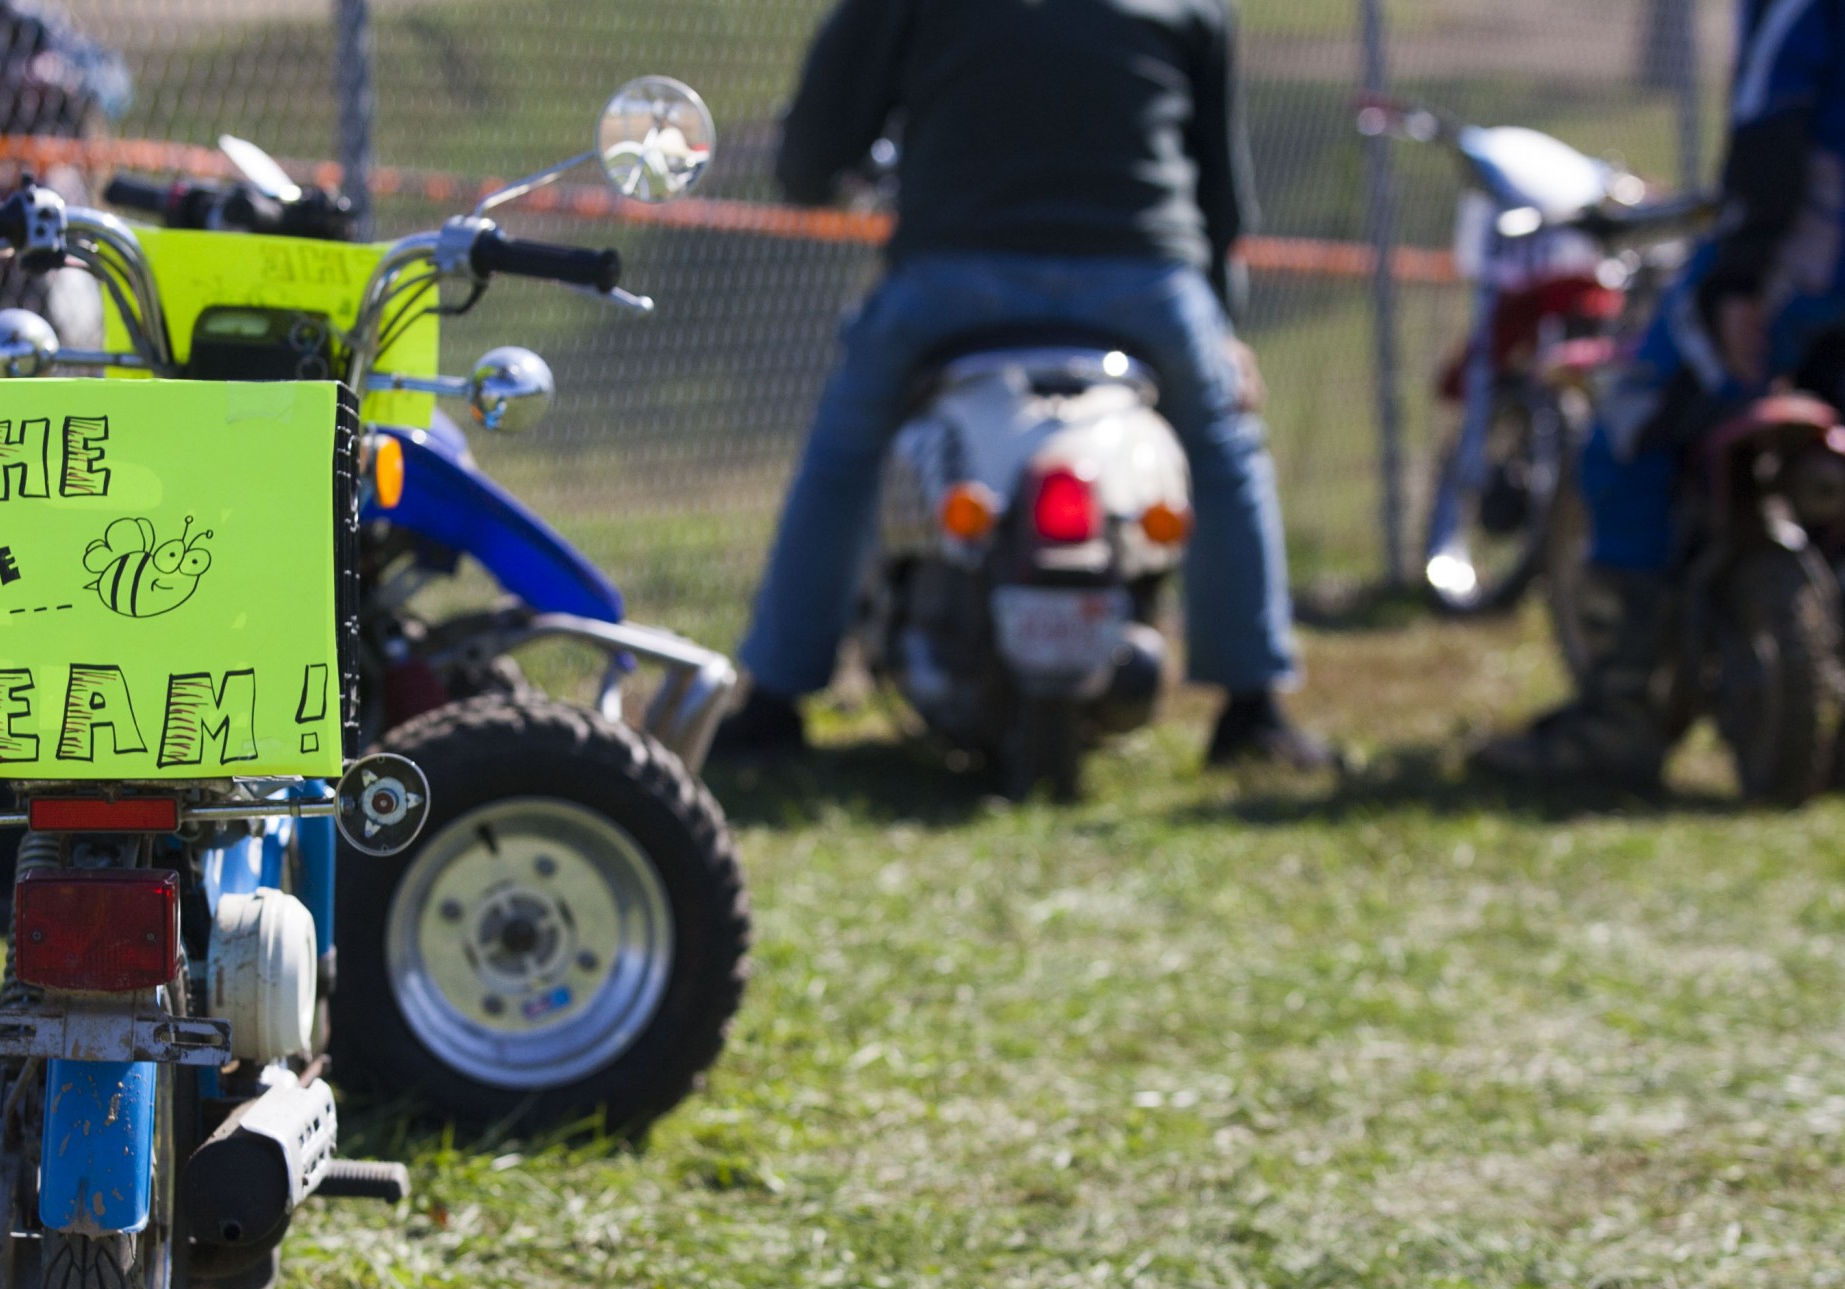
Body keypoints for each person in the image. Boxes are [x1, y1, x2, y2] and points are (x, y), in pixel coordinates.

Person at [713, 0, 1328, 769]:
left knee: (846, 454)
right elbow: (1220, 195)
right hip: (1146, 281)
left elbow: (812, 153)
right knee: (1224, 451)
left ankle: (774, 700)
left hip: (953, 275)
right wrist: (1224, 329)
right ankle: (1252, 709)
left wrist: (816, 180)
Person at [1477, 0, 1845, 786]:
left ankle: (1622, 715)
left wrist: (1741, 276)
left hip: (1800, 269)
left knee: (1630, 434)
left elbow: (1774, 126)